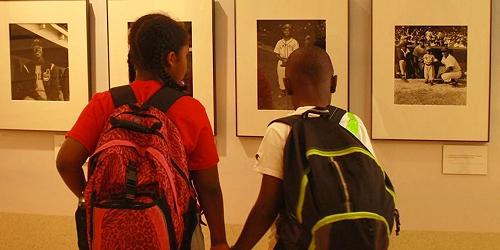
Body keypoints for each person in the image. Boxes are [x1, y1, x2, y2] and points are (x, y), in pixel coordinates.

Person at [56, 13, 229, 250]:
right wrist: (219, 240)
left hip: (112, 232)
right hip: (174, 235)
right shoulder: (190, 109)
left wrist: (91, 198)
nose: (186, 64)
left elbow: (66, 162)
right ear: (171, 59)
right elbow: (208, 186)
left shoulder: (104, 103)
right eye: (185, 56)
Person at [231, 47, 376, 250]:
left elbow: (268, 204)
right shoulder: (353, 122)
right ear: (334, 83)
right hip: (354, 240)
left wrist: (239, 247)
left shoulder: (281, 130)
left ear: (286, 84)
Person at [274, 23, 299, 98]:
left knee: (291, 76)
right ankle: (282, 91)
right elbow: (277, 54)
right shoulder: (279, 42)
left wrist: (289, 60)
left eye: (288, 30)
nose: (286, 32)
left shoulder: (294, 42)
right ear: (283, 31)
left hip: (291, 61)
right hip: (281, 61)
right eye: (285, 30)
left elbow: (296, 53)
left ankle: (291, 91)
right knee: (281, 76)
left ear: (291, 32)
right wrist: (282, 59)